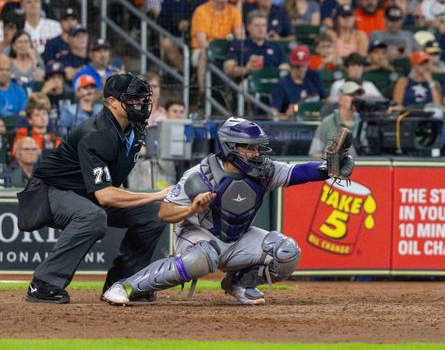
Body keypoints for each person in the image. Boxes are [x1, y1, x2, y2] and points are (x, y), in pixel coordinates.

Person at [102, 117, 354, 306]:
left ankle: (239, 284)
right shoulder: (199, 175)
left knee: (287, 253)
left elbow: (298, 172)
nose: (256, 153)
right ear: (231, 147)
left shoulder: (264, 170)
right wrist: (192, 208)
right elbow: (164, 214)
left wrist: (326, 168)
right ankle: (126, 287)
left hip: (237, 238)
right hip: (198, 235)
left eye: (257, 147)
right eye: (249, 147)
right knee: (203, 259)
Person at [22, 73, 168, 303]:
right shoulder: (96, 134)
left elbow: (113, 182)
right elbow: (105, 195)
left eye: (142, 100)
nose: (140, 105)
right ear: (112, 102)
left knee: (154, 214)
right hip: (48, 191)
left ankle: (122, 284)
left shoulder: (136, 128)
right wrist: (156, 194)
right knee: (93, 216)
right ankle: (43, 284)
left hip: (86, 193)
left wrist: (155, 202)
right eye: (132, 100)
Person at [271, 46, 327, 119]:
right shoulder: (282, 84)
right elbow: (272, 113)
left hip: (316, 120)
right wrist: (286, 116)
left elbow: (326, 100)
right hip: (294, 126)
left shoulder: (313, 76)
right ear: (291, 65)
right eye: (297, 66)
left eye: (304, 66)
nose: (301, 70)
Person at [309, 81, 363, 157]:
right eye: (351, 95)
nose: (356, 99)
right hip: (334, 167)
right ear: (340, 99)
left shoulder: (363, 121)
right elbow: (314, 153)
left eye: (358, 95)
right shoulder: (327, 122)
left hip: (362, 167)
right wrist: (332, 159)